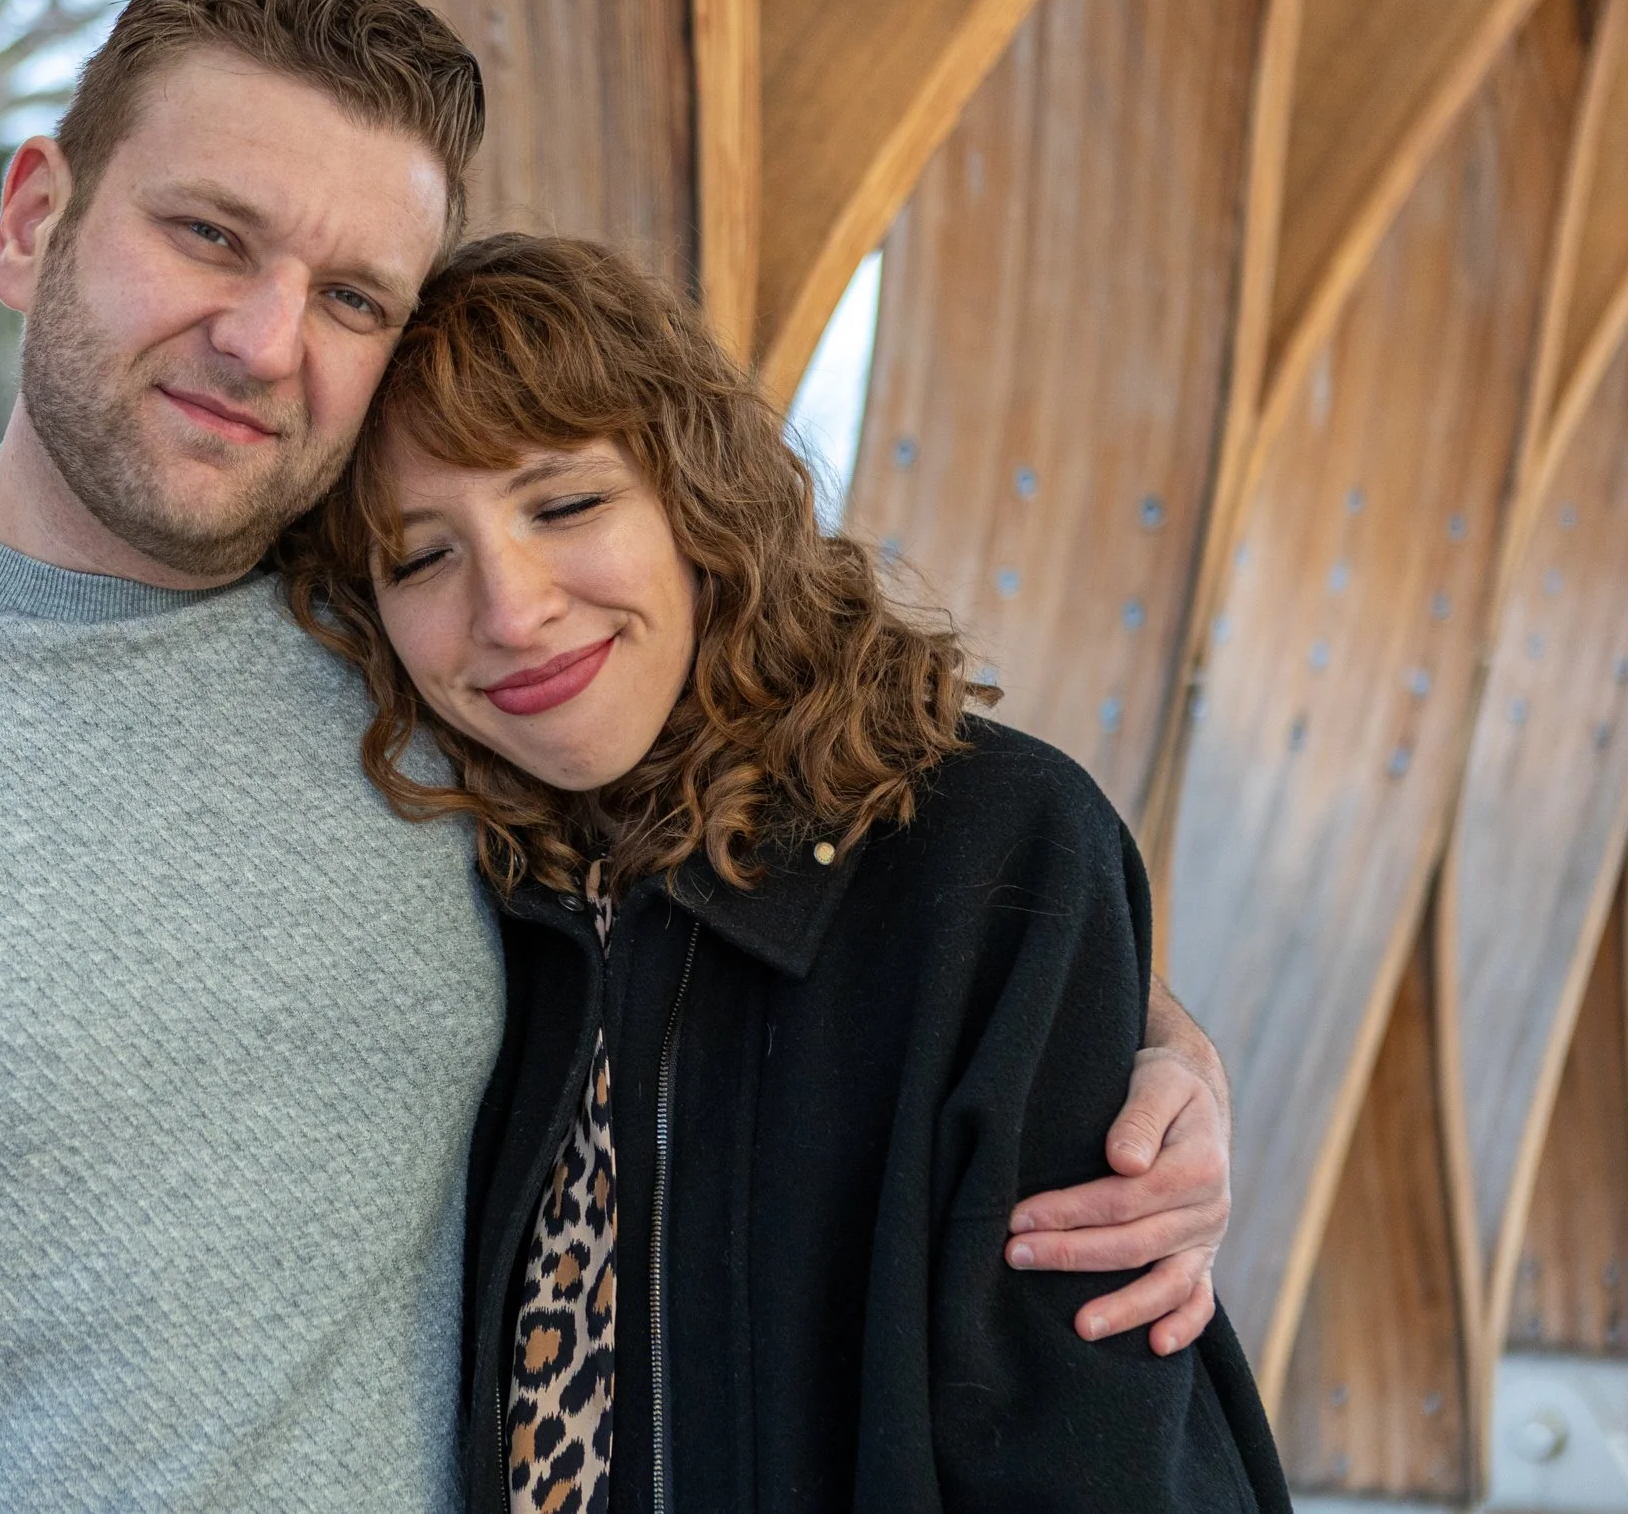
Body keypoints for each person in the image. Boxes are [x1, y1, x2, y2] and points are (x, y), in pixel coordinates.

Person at [0, 0, 1232, 1512]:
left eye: (354, 296)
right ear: (39, 214)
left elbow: (805, 877)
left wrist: (1144, 1043)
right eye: (209, 234)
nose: (265, 335)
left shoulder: (431, 671)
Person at [280, 232, 1288, 1512]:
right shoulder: (461, 887)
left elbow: (1084, 1452)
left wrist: (1148, 1024)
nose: (511, 607)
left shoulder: (994, 849)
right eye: (420, 555)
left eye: (565, 502)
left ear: (695, 499)